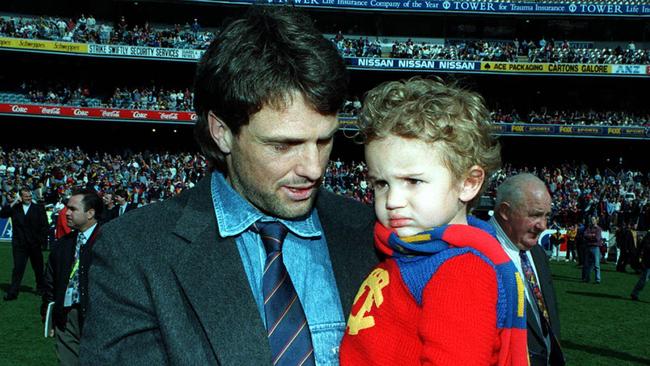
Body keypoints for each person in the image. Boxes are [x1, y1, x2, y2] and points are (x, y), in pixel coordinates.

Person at [81, 6, 377, 365]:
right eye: (283, 145)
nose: (313, 168)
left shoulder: (371, 234)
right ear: (222, 132)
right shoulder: (134, 252)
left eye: (324, 141)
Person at [340, 78, 527, 365]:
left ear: (468, 182)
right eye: (381, 183)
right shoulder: (412, 250)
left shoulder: (462, 270)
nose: (392, 200)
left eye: (413, 181)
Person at [490, 173, 565, 366]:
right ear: (505, 212)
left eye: (546, 216)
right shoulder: (477, 257)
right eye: (535, 215)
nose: (543, 226)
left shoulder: (537, 252)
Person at [41, 188, 102, 365]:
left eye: (73, 209)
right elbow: (50, 281)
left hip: (97, 318)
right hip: (65, 316)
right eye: (67, 208)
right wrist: (49, 313)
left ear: (90, 213)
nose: (66, 213)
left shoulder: (108, 242)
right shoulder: (63, 244)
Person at [0, 187, 48, 301]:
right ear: (21, 197)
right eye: (26, 196)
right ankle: (13, 292)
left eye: (30, 196)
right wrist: (14, 201)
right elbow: (2, 214)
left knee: (38, 268)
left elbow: (44, 225)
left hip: (35, 244)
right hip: (20, 245)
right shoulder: (15, 208)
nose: (29, 198)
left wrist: (41, 241)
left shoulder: (38, 208)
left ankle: (41, 288)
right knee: (18, 269)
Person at [582, 216, 603, 284]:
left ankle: (597, 279)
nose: (592, 221)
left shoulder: (598, 229)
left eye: (593, 219)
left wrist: (589, 236)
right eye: (591, 219)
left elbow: (597, 238)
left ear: (596, 220)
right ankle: (587, 278)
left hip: (595, 247)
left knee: (596, 264)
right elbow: (584, 235)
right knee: (587, 264)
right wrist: (592, 235)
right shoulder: (589, 227)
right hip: (589, 247)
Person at [630, 232, 650, 301]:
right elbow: (644, 246)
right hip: (648, 262)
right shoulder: (648, 235)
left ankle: (635, 293)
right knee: (644, 279)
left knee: (644, 279)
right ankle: (634, 293)